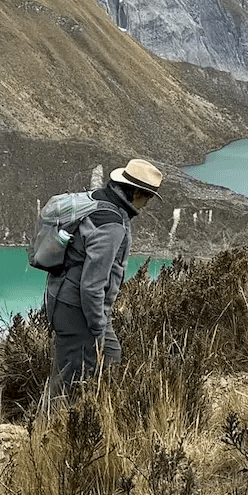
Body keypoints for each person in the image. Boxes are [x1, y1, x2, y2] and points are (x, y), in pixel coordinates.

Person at [44, 157, 163, 394]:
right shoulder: (111, 225)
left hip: (65, 297)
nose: (148, 203)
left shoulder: (99, 201)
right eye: (148, 196)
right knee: (70, 381)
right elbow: (92, 285)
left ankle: (98, 415)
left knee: (110, 355)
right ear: (135, 192)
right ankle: (50, 427)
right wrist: (98, 326)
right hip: (76, 307)